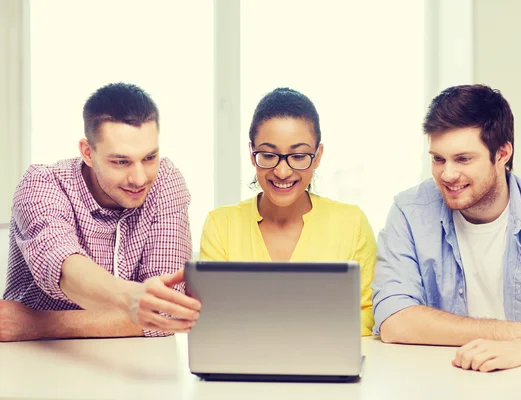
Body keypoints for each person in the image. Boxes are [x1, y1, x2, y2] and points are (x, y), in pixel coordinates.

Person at [372, 84, 521, 371]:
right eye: (438, 159)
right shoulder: (409, 212)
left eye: (463, 159)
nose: (448, 174)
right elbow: (394, 320)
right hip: (441, 379)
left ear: (502, 153)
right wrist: (520, 332)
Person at [0, 83, 200, 341]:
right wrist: (132, 301)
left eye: (149, 158)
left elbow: (164, 312)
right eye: (121, 162)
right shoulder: (42, 185)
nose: (139, 179)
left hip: (131, 361)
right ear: (88, 153)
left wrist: (38, 325)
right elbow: (66, 269)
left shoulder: (166, 179)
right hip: (32, 358)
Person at [200, 87, 376, 335]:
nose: (282, 172)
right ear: (252, 154)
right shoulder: (221, 225)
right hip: (244, 367)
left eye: (298, 155)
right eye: (269, 155)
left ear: (317, 156)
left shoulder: (351, 223)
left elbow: (366, 315)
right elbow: (213, 317)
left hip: (325, 364)